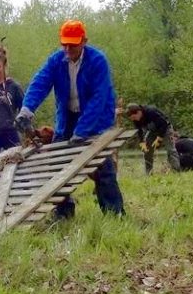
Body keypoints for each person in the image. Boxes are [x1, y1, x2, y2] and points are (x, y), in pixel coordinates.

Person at [15, 19, 125, 218]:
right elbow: (40, 83)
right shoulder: (56, 61)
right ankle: (64, 212)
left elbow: (99, 98)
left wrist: (82, 131)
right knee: (57, 165)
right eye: (64, 43)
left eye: (73, 44)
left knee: (102, 165)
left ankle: (113, 212)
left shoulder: (98, 60)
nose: (68, 48)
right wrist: (26, 110)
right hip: (68, 116)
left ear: (84, 41)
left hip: (97, 118)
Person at [124, 103, 181, 174]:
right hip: (152, 131)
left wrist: (159, 139)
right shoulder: (136, 119)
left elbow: (164, 124)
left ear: (139, 112)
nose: (134, 120)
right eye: (132, 119)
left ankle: (176, 171)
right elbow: (139, 130)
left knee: (170, 150)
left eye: (134, 117)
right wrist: (142, 142)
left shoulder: (151, 111)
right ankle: (149, 172)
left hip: (165, 129)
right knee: (147, 150)